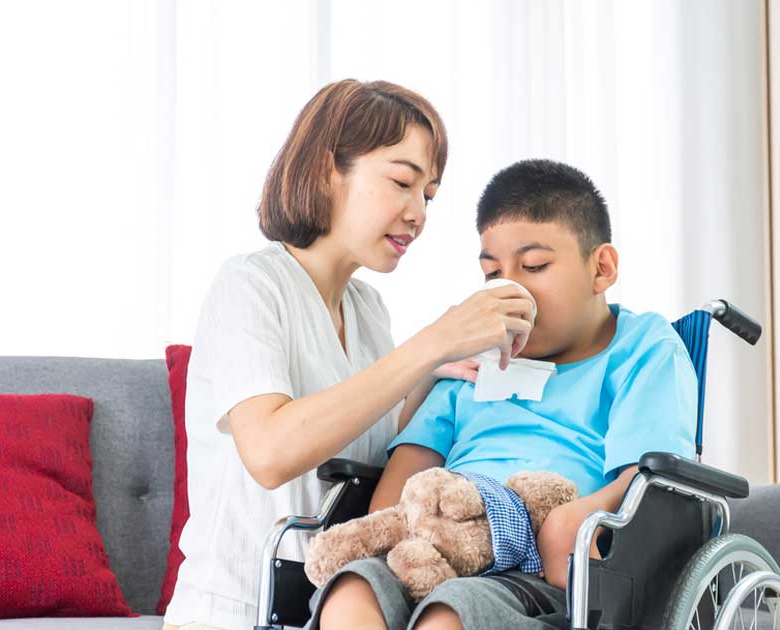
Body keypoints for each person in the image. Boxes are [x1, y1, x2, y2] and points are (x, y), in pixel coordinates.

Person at [161, 80, 536, 630]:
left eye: (428, 195)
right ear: (327, 170)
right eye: (402, 182)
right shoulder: (250, 285)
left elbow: (371, 454)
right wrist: (429, 343)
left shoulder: (367, 310)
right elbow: (269, 452)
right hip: (232, 613)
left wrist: (434, 374)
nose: (418, 213)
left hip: (321, 608)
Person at [310, 159, 698, 630]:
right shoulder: (472, 357)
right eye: (493, 274)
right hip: (429, 551)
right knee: (351, 591)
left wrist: (563, 527)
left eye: (534, 266)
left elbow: (648, 485)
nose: (510, 289)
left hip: (540, 577)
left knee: (450, 612)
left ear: (602, 268)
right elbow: (397, 491)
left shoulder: (642, 348)